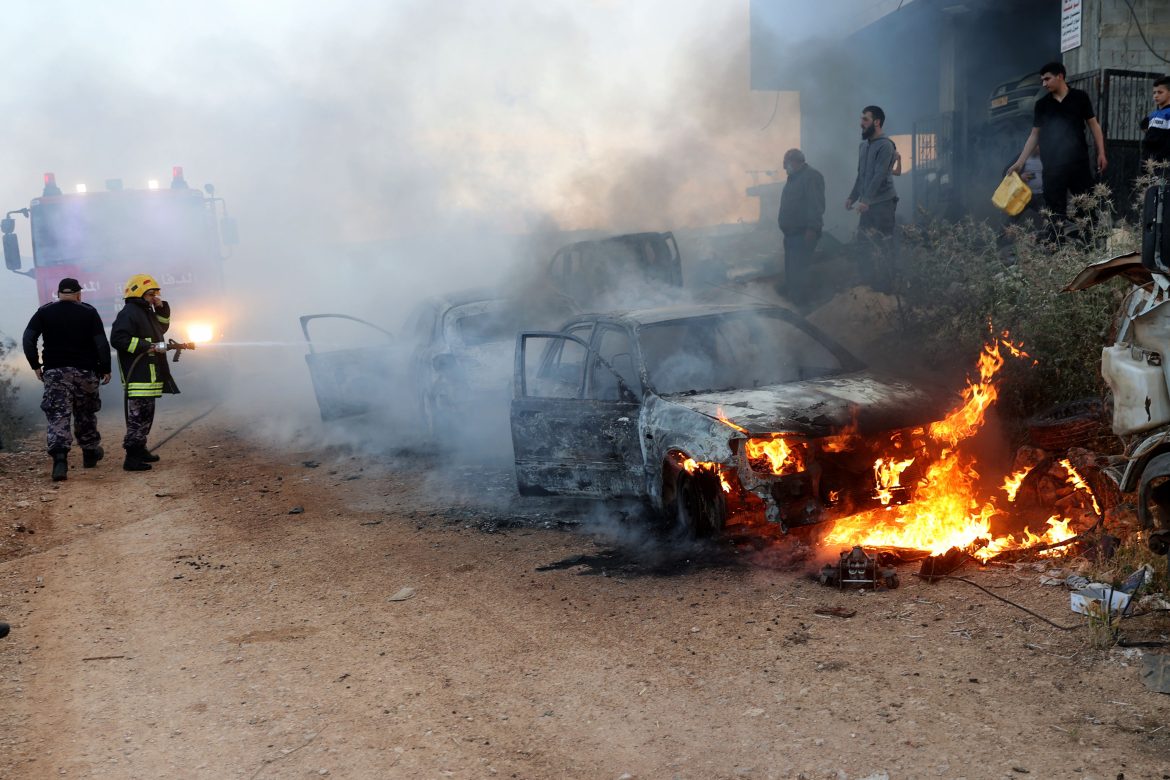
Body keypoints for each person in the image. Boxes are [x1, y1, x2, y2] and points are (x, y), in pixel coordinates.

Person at [21, 277, 112, 481]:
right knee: (86, 412)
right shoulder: (89, 312)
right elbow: (101, 343)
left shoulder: (44, 312)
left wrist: (35, 365)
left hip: (55, 372)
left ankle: (60, 461)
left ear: (59, 293)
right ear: (79, 294)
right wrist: (106, 368)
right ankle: (89, 453)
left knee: (58, 415)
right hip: (85, 372)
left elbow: (28, 339)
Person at [1009, 61, 1106, 227]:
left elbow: (1094, 125)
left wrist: (1101, 153)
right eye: (1042, 80)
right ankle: (1057, 248)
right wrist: (1020, 162)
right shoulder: (1042, 105)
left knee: (1086, 207)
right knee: (1054, 211)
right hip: (1053, 166)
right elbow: (1034, 135)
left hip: (1078, 163)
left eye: (1047, 79)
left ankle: (1090, 246)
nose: (1044, 83)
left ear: (1060, 76)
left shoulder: (1080, 97)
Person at [110, 273, 179, 471]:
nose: (154, 297)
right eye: (151, 294)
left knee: (146, 416)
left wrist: (161, 307)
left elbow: (161, 328)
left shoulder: (145, 311)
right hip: (138, 374)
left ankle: (140, 450)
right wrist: (146, 346)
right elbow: (118, 339)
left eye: (156, 294)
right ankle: (132, 458)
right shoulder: (129, 313)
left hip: (149, 375)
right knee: (138, 418)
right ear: (138, 294)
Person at [846, 105, 899, 288]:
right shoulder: (863, 147)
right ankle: (866, 283)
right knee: (863, 243)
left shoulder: (886, 146)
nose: (861, 123)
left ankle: (887, 287)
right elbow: (861, 175)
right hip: (867, 204)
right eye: (861, 119)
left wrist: (866, 200)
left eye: (865, 119)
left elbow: (880, 175)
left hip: (883, 204)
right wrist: (852, 197)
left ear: (877, 122)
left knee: (884, 244)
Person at [776, 148, 825, 302]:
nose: (784, 167)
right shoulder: (794, 178)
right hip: (790, 234)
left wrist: (812, 228)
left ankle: (802, 305)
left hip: (803, 234)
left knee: (799, 271)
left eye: (786, 163)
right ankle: (793, 299)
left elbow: (816, 205)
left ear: (796, 161)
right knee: (791, 271)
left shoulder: (811, 177)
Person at [1140, 75, 1170, 168]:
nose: (1156, 95)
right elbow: (1144, 127)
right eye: (1154, 92)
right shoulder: (1153, 115)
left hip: (1163, 165)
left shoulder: (1168, 114)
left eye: (1160, 92)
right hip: (1149, 164)